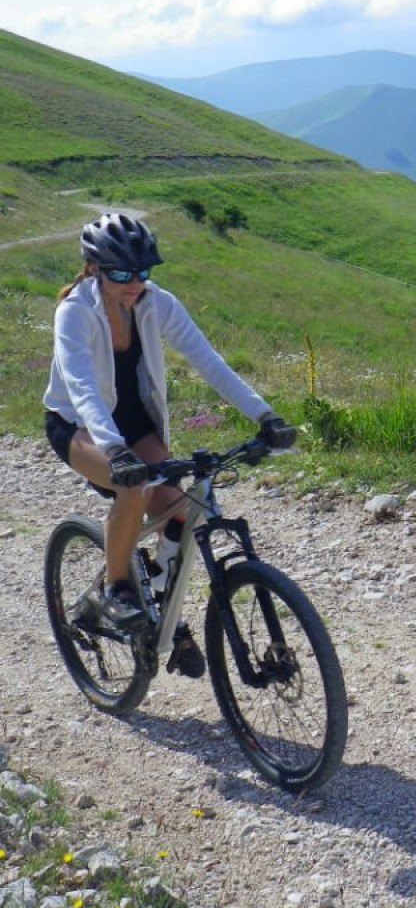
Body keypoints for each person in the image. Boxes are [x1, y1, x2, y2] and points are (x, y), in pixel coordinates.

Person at [43, 212, 295, 678]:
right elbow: (81, 388)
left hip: (135, 424)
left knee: (181, 506)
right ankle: (117, 587)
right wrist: (115, 450)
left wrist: (266, 416)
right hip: (78, 425)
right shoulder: (74, 311)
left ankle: (163, 614)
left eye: (144, 271)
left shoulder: (157, 303)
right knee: (135, 490)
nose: (136, 282)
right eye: (122, 273)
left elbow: (210, 362)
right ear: (95, 268)